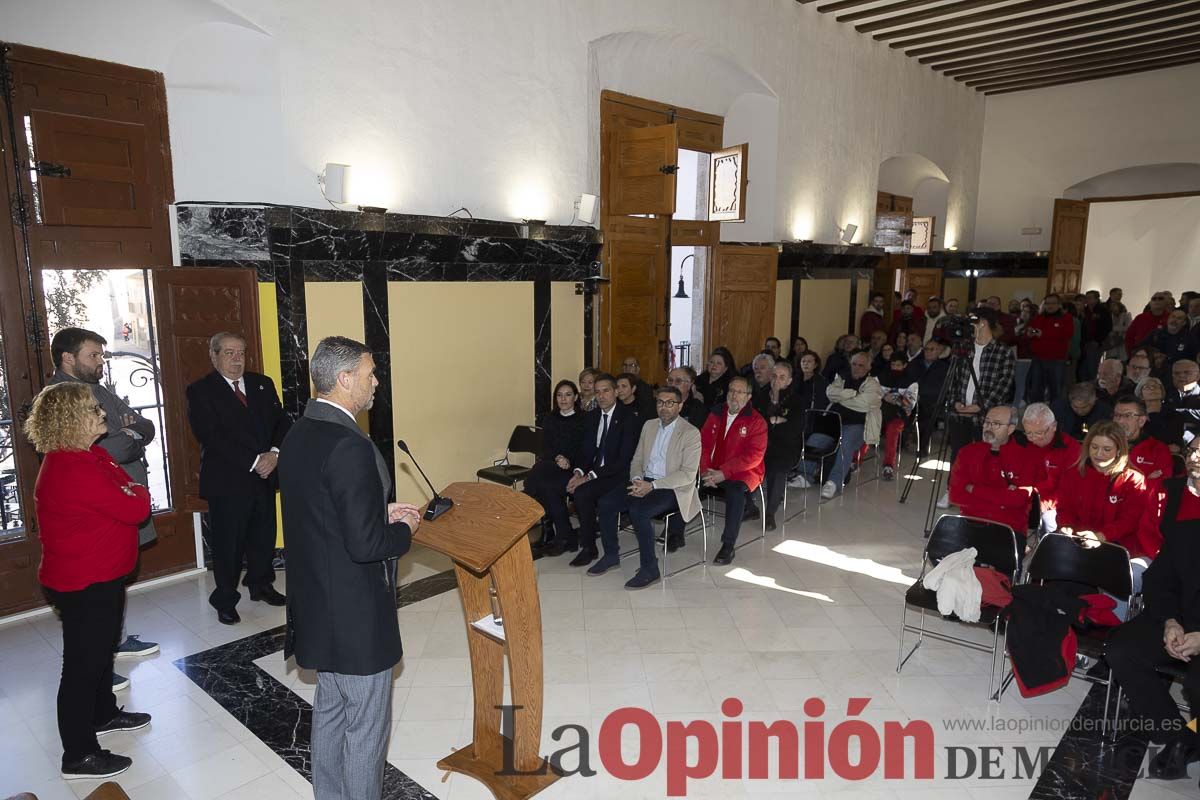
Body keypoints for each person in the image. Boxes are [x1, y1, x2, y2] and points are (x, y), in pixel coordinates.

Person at [278, 336, 418, 800]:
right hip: (356, 617)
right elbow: (367, 546)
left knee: (332, 714)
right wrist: (405, 530)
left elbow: (324, 515)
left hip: (317, 605)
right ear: (343, 379)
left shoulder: (300, 433)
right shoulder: (349, 445)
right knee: (365, 729)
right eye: (369, 373)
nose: (376, 381)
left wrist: (379, 510)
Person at [24, 382, 153, 781]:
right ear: (71, 421)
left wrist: (131, 490)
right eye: (94, 411)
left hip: (102, 576)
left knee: (100, 655)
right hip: (85, 582)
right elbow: (136, 505)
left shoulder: (90, 454)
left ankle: (103, 714)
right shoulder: (72, 467)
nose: (103, 416)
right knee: (82, 667)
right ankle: (78, 755)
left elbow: (129, 492)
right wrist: (133, 491)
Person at [47, 328, 159, 685]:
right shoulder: (59, 397)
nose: (100, 362)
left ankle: (114, 642)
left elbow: (145, 424)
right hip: (99, 511)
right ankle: (99, 666)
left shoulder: (98, 388)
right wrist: (127, 440)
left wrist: (131, 433)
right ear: (68, 358)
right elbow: (103, 450)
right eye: (93, 355)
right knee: (93, 597)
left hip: (117, 502)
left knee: (113, 582)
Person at [1105, 438, 1200, 782]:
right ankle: (1181, 736)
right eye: (1193, 450)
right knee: (1121, 649)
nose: (1196, 457)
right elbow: (1163, 575)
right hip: (1180, 613)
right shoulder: (1181, 511)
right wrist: (1170, 621)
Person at [186, 332, 291, 625]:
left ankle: (260, 585)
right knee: (228, 544)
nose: (236, 359)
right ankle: (225, 599)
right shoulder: (200, 391)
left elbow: (282, 421)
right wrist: (255, 460)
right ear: (214, 355)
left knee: (263, 535)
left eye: (241, 353)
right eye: (229, 353)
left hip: (265, 476)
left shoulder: (262, 384)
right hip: (228, 482)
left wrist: (273, 453)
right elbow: (211, 436)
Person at [593, 386, 702, 588]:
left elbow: (687, 475)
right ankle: (610, 555)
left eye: (670, 403)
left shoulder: (690, 433)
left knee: (638, 511)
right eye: (660, 402)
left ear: (680, 405)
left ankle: (650, 568)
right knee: (606, 503)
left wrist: (652, 486)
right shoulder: (649, 425)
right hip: (644, 481)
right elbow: (637, 459)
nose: (664, 407)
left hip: (672, 487)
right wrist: (636, 479)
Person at [1056, 422, 1152, 587]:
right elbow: (1064, 509)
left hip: (1116, 547)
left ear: (1119, 451)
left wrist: (1101, 536)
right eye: (1094, 447)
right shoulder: (1073, 474)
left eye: (1107, 449)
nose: (1099, 454)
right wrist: (1066, 526)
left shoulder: (1133, 480)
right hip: (1078, 542)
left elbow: (1129, 521)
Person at [938, 308, 1016, 508]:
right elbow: (953, 379)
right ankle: (952, 491)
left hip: (986, 415)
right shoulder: (964, 349)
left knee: (985, 454)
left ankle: (982, 493)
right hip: (960, 413)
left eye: (972, 322)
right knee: (958, 454)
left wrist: (981, 407)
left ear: (982, 323)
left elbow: (1004, 384)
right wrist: (956, 402)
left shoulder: (1002, 351)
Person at [566, 374, 639, 568]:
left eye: (606, 390)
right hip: (597, 470)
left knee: (583, 493)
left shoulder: (628, 418)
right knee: (574, 488)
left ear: (616, 392)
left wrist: (589, 476)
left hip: (618, 474)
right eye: (597, 392)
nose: (601, 396)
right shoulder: (592, 417)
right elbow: (587, 450)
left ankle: (591, 547)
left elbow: (623, 460)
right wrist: (579, 472)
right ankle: (585, 545)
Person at [699, 376, 768, 566]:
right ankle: (676, 533)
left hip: (743, 471)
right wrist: (705, 471)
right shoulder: (716, 413)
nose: (733, 396)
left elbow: (753, 456)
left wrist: (723, 473)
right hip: (712, 469)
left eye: (739, 392)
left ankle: (728, 545)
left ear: (748, 396)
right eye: (731, 391)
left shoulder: (756, 421)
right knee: (688, 482)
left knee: (735, 493)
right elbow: (702, 444)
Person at [795, 352, 883, 500]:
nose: (857, 368)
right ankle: (805, 476)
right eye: (854, 364)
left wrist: (841, 397)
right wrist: (852, 395)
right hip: (833, 422)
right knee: (816, 439)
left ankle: (834, 482)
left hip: (858, 426)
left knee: (845, 442)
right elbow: (830, 393)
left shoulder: (873, 384)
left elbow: (864, 404)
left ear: (868, 367)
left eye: (861, 365)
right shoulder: (841, 377)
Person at [948, 405, 1043, 538]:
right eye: (987, 422)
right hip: (971, 524)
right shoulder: (967, 452)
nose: (988, 427)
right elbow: (955, 495)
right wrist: (1003, 499)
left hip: (1009, 529)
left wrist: (973, 489)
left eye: (996, 424)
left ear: (1010, 428)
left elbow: (1019, 499)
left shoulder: (1026, 457)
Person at [524, 380, 586, 556]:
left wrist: (569, 460)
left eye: (567, 395)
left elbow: (584, 449)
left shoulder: (583, 419)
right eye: (559, 395)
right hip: (552, 464)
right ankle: (566, 537)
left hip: (573, 468)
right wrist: (557, 457)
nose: (563, 399)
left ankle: (525, 502)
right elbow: (545, 447)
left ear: (575, 397)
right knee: (543, 475)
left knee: (545, 485)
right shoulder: (550, 418)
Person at [1021, 402, 1081, 535]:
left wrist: (1040, 505)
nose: (1033, 438)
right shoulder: (1027, 445)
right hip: (1030, 498)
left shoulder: (1071, 449)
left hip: (1057, 503)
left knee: (1048, 520)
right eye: (1029, 433)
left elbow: (1068, 489)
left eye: (1039, 433)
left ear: (1053, 427)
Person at [761, 361, 805, 529]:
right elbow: (755, 422)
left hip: (787, 446)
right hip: (762, 444)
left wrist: (771, 424)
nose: (776, 380)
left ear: (789, 381)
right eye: (773, 376)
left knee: (777, 470)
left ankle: (770, 513)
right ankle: (748, 507)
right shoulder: (762, 395)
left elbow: (794, 428)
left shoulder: (796, 400)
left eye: (781, 377)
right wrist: (775, 421)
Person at [1022, 293, 1074, 405]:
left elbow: (1067, 333)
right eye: (1047, 303)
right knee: (1036, 390)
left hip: (1056, 360)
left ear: (1059, 305)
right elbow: (1029, 333)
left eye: (1053, 303)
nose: (1050, 306)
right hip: (1038, 359)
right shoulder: (1039, 318)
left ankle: (1057, 416)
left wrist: (1043, 334)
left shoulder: (1066, 318)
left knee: (1056, 391)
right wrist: (1030, 333)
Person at [1114, 396, 1174, 489]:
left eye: (1127, 415)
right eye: (1117, 415)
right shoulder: (1102, 445)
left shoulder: (1158, 450)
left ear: (1141, 421)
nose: (1120, 421)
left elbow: (1160, 488)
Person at [906, 339, 949, 458]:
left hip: (931, 400)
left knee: (926, 415)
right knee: (902, 410)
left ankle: (922, 446)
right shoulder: (915, 364)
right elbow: (908, 381)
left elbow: (941, 388)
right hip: (912, 397)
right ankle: (902, 440)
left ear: (938, 351)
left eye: (932, 349)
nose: (929, 352)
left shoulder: (944, 367)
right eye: (926, 349)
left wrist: (922, 394)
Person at [878, 352, 918, 480]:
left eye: (898, 365)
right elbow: (872, 394)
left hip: (899, 415)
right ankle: (855, 460)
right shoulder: (880, 378)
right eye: (893, 364)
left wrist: (895, 398)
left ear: (905, 365)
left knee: (892, 431)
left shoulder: (911, 383)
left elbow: (909, 405)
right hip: (880, 411)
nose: (895, 368)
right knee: (869, 426)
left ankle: (888, 465)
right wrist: (885, 397)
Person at [1139, 376, 1186, 453]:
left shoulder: (1175, 416)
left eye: (1156, 386)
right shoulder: (1136, 416)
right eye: (1147, 387)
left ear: (1162, 392)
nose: (1152, 389)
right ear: (1141, 395)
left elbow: (1176, 444)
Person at [1077, 290, 1113, 382]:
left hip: (1096, 342)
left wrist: (1098, 340)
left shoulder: (1103, 310)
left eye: (1090, 298)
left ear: (1097, 299)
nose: (1088, 300)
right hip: (1084, 342)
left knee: (1092, 368)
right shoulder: (1085, 310)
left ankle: (1091, 388)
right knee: (1082, 369)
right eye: (1087, 298)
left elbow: (1108, 327)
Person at [1166, 359, 1200, 445]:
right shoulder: (1165, 394)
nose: (1181, 376)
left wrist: (1175, 411)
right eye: (1176, 373)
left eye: (1187, 372)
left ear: (1198, 376)